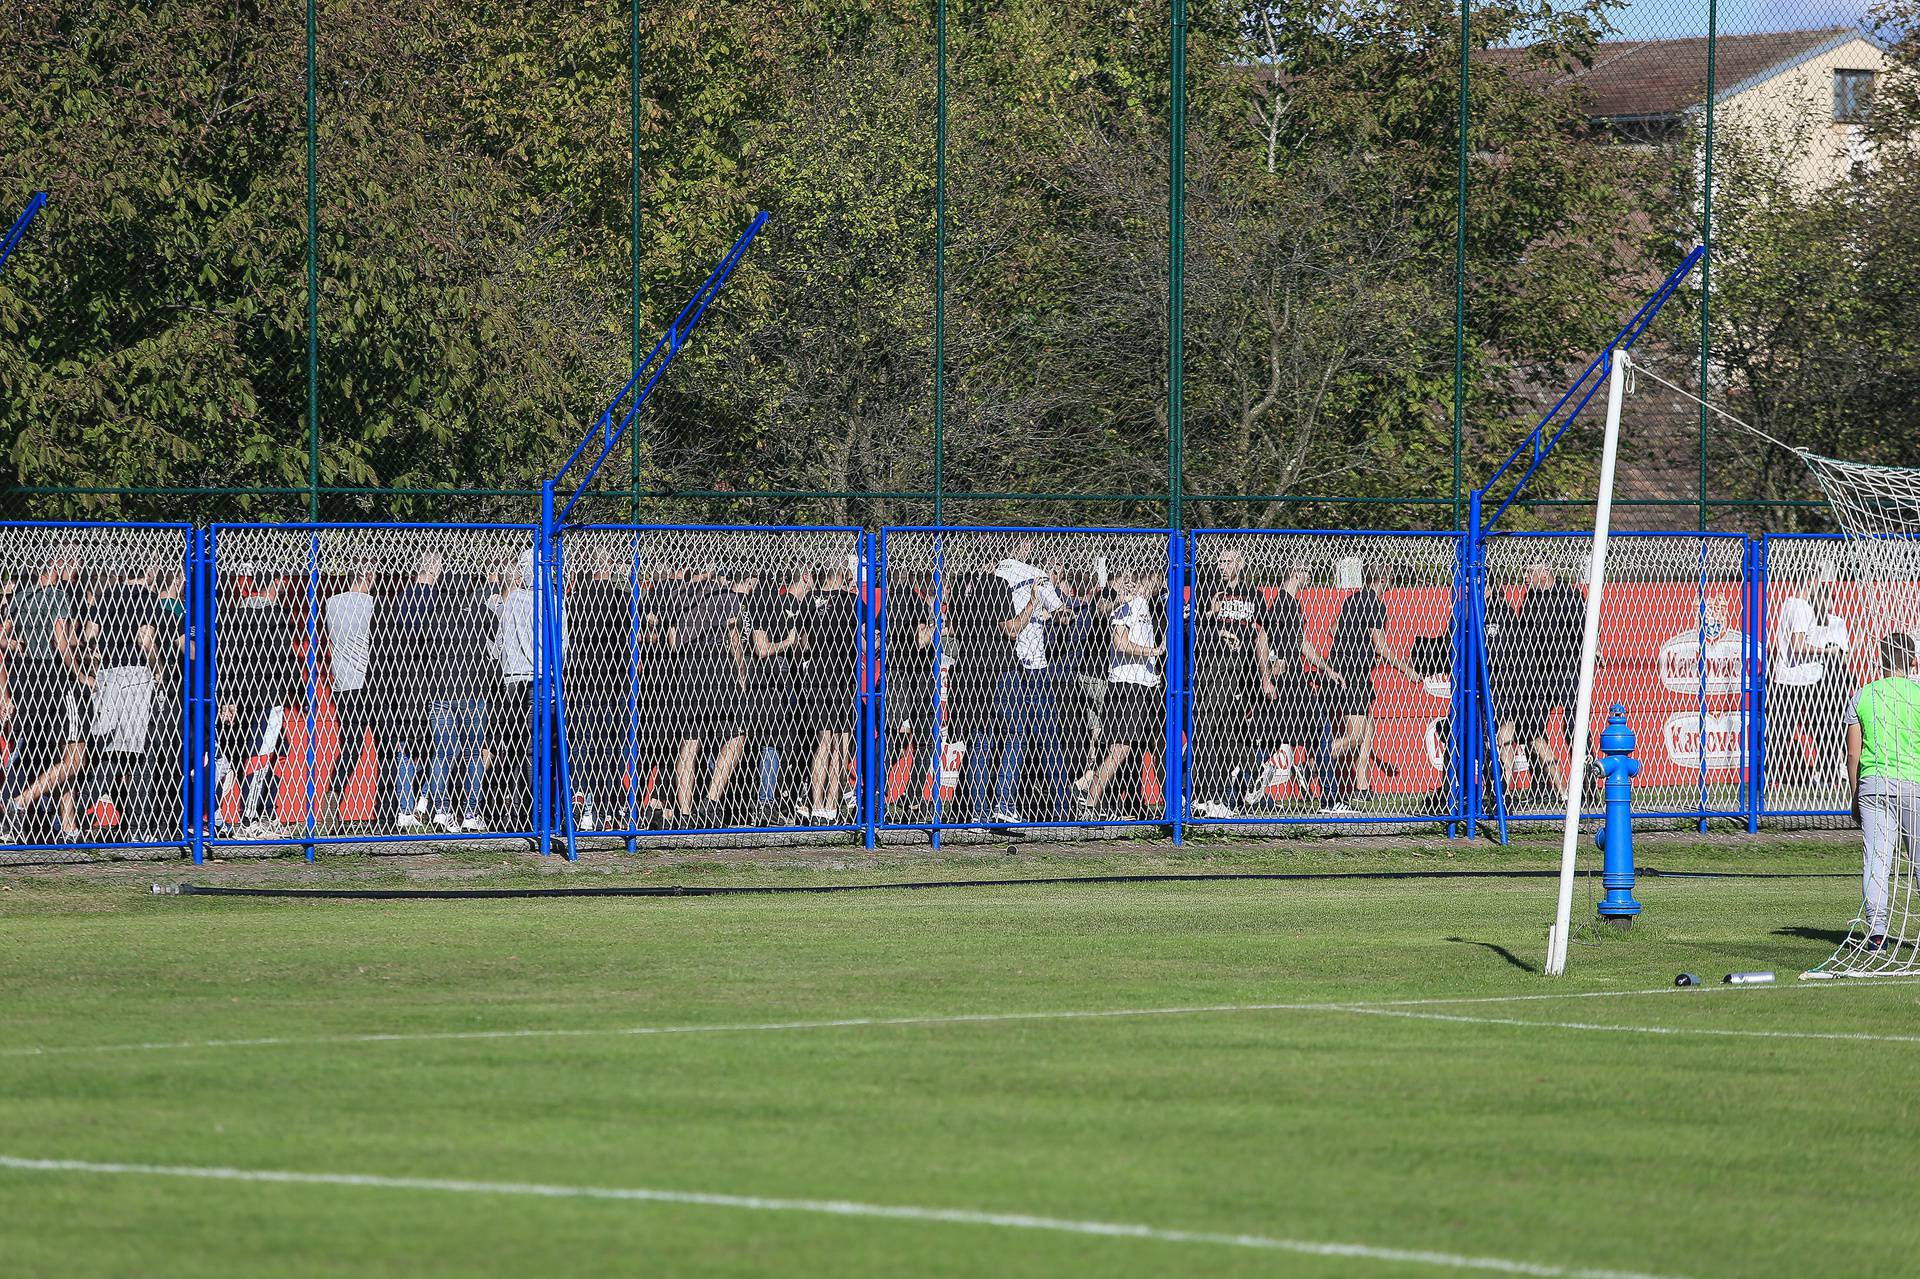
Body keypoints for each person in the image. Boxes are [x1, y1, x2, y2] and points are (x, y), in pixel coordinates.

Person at [3, 550, 89, 843]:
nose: (77, 569)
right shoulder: (58, 596)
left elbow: (3, 638)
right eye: (73, 563)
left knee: (45, 752)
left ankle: (67, 824)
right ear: (56, 564)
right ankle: (19, 803)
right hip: (54, 678)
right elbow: (60, 641)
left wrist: (21, 648)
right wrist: (80, 675)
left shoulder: (22, 597)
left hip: (25, 678)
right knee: (74, 755)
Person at [1845, 631, 1920, 952]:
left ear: (1882, 660)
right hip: (1913, 784)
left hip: (1873, 785)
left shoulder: (1863, 696)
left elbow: (1853, 755)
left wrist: (1854, 796)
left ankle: (1877, 931)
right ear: (1913, 660)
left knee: (1877, 860)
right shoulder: (1917, 694)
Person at [1324, 562, 1420, 811]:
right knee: (1355, 736)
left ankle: (1362, 785)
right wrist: (1408, 670)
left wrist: (1355, 643)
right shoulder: (1375, 604)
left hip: (1351, 669)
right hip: (1352, 673)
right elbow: (1381, 646)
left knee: (1368, 728)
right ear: (1383, 579)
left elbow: (1333, 628)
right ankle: (1317, 764)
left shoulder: (1352, 599)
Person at [84, 561, 165, 840]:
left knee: (107, 750)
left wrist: (95, 667)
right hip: (135, 676)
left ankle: (83, 819)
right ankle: (138, 828)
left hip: (108, 675)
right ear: (149, 573)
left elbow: (89, 636)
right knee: (139, 754)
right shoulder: (147, 597)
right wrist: (158, 668)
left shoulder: (106, 595)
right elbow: (145, 639)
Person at [1189, 547, 1271, 819]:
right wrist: (1214, 621)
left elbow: (1262, 636)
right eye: (1220, 561)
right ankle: (1205, 795)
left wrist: (1265, 677)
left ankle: (1246, 778)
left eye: (1228, 561)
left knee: (1234, 732)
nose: (1223, 566)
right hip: (1214, 669)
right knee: (1207, 728)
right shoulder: (1209, 591)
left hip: (1243, 673)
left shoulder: (1253, 596)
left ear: (1241, 564)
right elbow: (1192, 626)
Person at [1258, 559, 1345, 811]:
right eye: (1308, 572)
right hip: (1286, 683)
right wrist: (1266, 676)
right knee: (1318, 733)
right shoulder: (1282, 603)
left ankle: (1241, 789)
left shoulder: (1293, 604)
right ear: (1297, 572)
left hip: (1295, 680)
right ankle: (1331, 798)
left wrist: (1327, 670)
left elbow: (1302, 643)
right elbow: (1263, 641)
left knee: (1274, 738)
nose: (1310, 577)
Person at [1081, 565, 1163, 820]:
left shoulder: (1147, 605)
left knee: (1157, 745)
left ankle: (1174, 804)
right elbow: (1120, 642)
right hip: (1127, 685)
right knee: (1120, 748)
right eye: (1150, 579)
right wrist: (1153, 652)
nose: (1155, 584)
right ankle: (1090, 803)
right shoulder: (1126, 606)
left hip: (1147, 684)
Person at [372, 551, 440, 830]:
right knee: (432, 747)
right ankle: (423, 799)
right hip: (429, 683)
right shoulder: (438, 601)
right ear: (436, 570)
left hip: (399, 684)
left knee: (402, 746)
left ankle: (402, 808)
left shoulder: (398, 599)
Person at [1513, 561, 1586, 805]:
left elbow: (1584, 629)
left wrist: (1592, 651)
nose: (1524, 576)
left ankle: (1584, 785)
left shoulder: (1569, 595)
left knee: (1573, 728)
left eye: (1529, 571)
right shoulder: (1530, 600)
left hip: (1567, 670)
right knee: (1532, 726)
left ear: (1545, 573)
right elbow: (1522, 636)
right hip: (1539, 674)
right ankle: (1542, 783)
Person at [1772, 573, 1851, 793]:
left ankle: (1823, 772)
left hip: (1797, 678)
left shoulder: (1788, 604)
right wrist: (1827, 651)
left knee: (1790, 728)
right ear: (1809, 581)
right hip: (1801, 678)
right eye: (1817, 581)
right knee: (1799, 728)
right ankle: (1778, 775)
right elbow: (1797, 645)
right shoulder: (1801, 607)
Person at [318, 565, 377, 831]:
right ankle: (385, 811)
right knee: (385, 746)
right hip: (369, 681)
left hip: (342, 684)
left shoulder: (331, 603)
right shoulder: (372, 604)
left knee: (350, 745)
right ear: (369, 576)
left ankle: (333, 792)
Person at [804, 559, 862, 825]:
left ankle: (816, 806)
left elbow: (803, 642)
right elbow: (865, 643)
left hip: (817, 675)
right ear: (843, 574)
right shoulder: (852, 603)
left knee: (823, 742)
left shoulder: (810, 601)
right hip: (843, 677)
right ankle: (830, 806)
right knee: (841, 744)